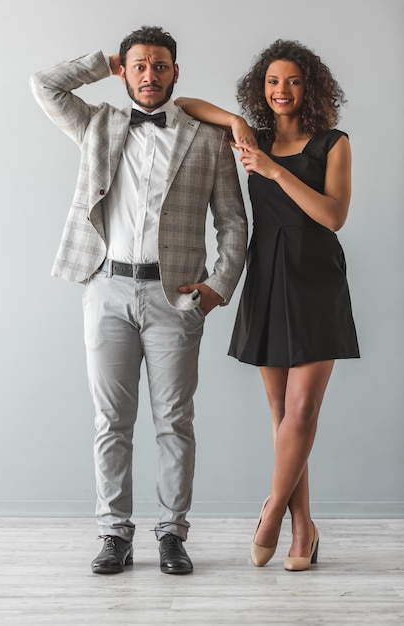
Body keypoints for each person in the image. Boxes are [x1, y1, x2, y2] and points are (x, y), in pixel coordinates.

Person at [30, 26, 247, 575]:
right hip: (106, 288)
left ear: (177, 72)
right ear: (125, 71)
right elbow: (45, 84)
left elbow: (233, 224)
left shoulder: (206, 137)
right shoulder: (96, 123)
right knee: (111, 420)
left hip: (175, 296)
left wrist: (217, 287)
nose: (150, 76)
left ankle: (173, 534)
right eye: (139, 66)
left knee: (175, 420)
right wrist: (103, 62)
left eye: (160, 66)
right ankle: (114, 535)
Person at [177, 39, 359, 571]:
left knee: (301, 412)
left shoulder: (333, 142)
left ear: (311, 88)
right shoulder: (250, 139)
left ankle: (272, 512)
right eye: (273, 81)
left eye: (294, 81)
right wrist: (235, 121)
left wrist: (274, 170)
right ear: (263, 88)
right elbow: (185, 104)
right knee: (282, 417)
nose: (283, 90)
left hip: (316, 279)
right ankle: (305, 528)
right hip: (267, 277)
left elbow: (333, 217)